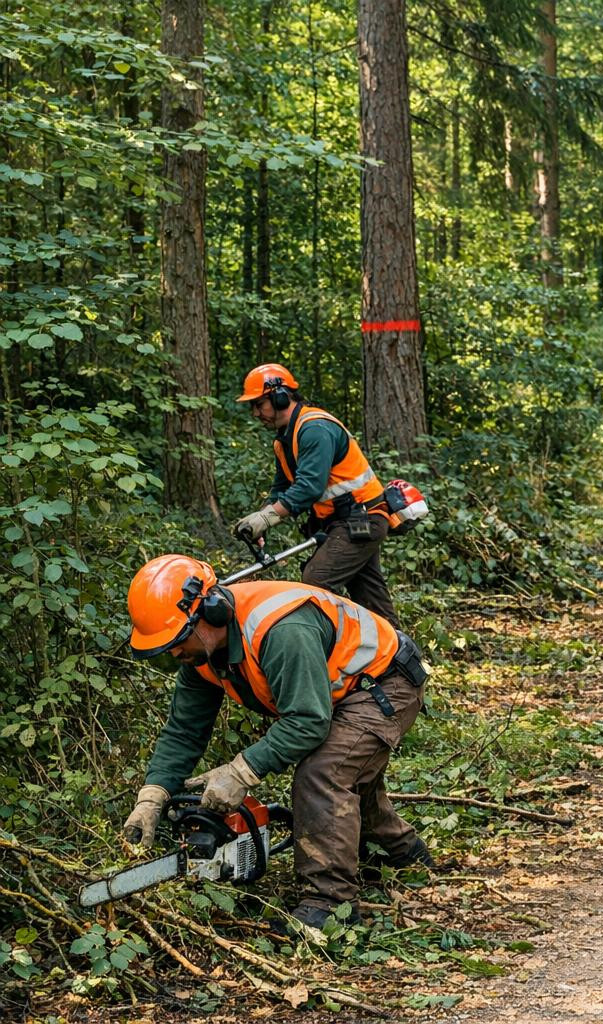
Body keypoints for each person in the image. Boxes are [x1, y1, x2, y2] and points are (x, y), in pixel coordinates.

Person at [121, 553, 432, 933]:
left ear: (212, 612)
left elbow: (308, 721)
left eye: (179, 639)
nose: (174, 651)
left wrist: (241, 771)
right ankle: (403, 852)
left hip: (385, 684)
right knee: (349, 771)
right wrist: (152, 797)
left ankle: (330, 903)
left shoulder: (280, 630)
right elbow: (184, 731)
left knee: (324, 772)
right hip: (342, 691)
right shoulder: (200, 656)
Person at [231, 363, 399, 627]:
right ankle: (399, 662)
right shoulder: (283, 440)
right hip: (343, 524)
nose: (255, 413)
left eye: (258, 404)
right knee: (373, 602)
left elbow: (310, 486)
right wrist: (261, 517)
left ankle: (331, 650)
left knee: (314, 584)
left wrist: (269, 518)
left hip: (361, 519)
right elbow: (281, 488)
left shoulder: (314, 428)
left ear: (280, 396)